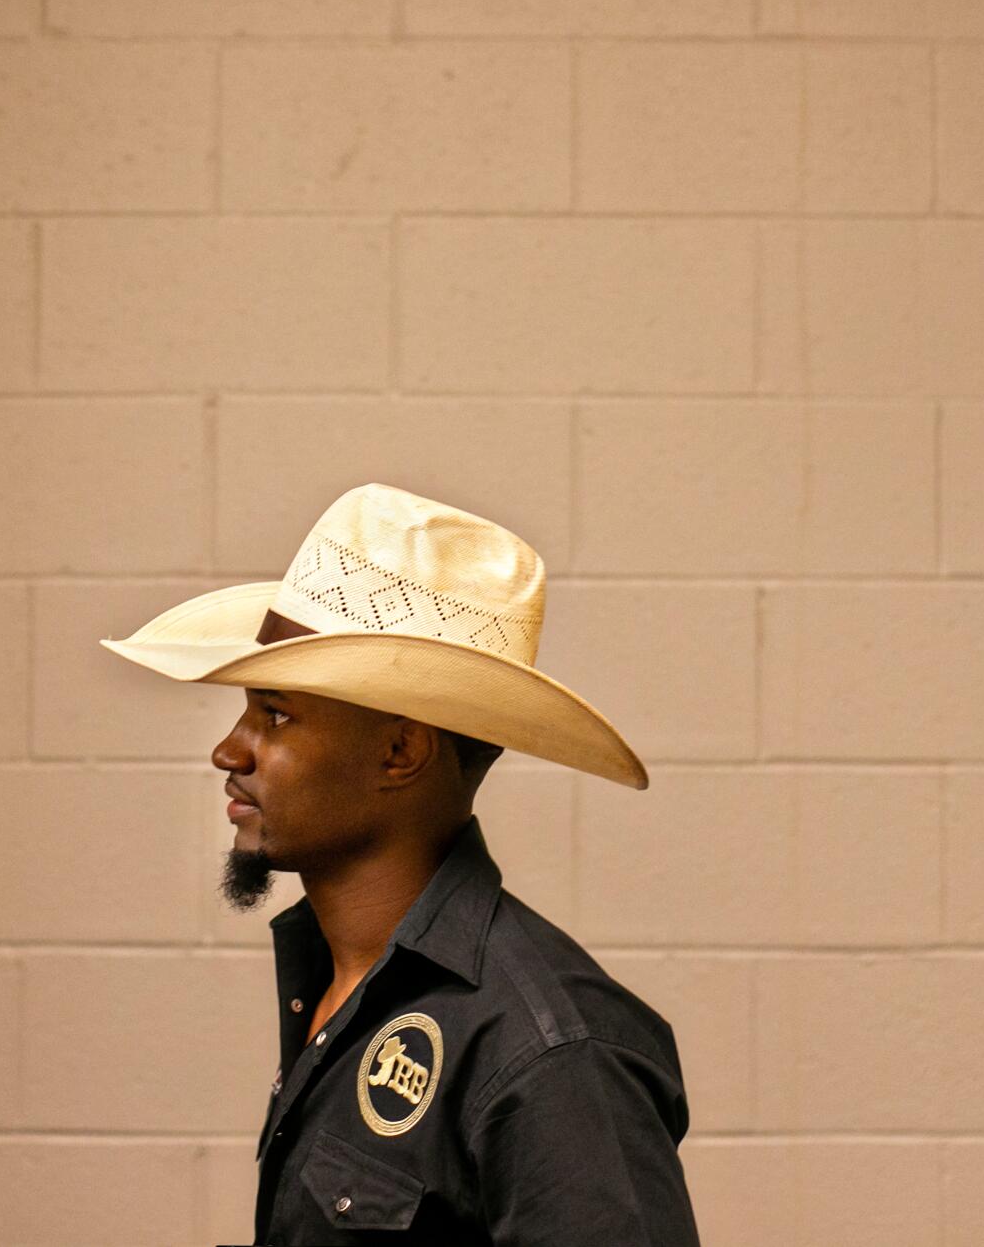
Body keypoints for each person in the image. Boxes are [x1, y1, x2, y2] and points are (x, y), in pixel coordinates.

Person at [100, 482, 700, 1245]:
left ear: (400, 750)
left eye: (275, 713)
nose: (230, 749)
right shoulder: (337, 984)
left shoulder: (550, 1053)